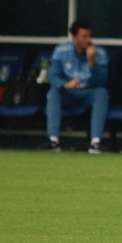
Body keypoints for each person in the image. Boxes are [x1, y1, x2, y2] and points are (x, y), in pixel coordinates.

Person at [44, 18, 109, 154]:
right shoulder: (61, 51)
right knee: (53, 92)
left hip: (88, 92)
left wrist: (92, 62)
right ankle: (53, 140)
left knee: (102, 93)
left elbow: (101, 82)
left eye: (89, 36)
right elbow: (53, 76)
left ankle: (95, 142)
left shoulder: (99, 52)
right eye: (84, 36)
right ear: (74, 38)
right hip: (68, 92)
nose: (88, 40)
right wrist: (65, 84)